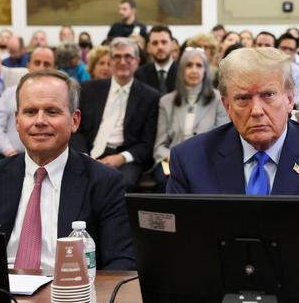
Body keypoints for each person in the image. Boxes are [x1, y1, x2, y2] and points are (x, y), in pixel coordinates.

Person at [0, 69, 135, 270]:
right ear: (17, 120)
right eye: (30, 112)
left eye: (52, 112)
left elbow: (121, 262)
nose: (40, 121)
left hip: (69, 296)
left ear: (74, 120)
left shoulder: (104, 183)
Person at [166, 47, 299, 196]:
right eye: (243, 98)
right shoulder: (190, 160)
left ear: (290, 100)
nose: (256, 111)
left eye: (268, 95)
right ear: (227, 107)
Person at [71, 37, 160, 192]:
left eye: (128, 57)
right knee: (74, 178)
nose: (122, 61)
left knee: (121, 183)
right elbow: (77, 130)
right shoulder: (89, 89)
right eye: (117, 57)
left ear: (137, 61)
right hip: (88, 152)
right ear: (110, 61)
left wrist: (121, 158)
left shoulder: (150, 97)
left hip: (124, 158)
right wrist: (84, 155)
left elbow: (146, 143)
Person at [153, 49, 229, 192]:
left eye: (199, 66)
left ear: (205, 71)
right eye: (189, 65)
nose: (194, 70)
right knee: (163, 183)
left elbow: (223, 141)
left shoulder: (219, 100)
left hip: (206, 160)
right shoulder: (166, 101)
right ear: (181, 70)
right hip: (171, 161)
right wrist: (178, 159)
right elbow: (159, 146)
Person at [0, 47, 55, 157]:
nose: (41, 68)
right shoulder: (9, 94)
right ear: (28, 65)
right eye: (37, 63)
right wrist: (9, 151)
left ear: (54, 68)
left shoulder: (62, 97)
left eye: (47, 64)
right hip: (11, 156)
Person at [135, 25, 177, 94]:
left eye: (164, 42)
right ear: (148, 47)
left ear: (172, 45)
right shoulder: (140, 74)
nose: (160, 47)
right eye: (155, 43)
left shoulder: (183, 72)